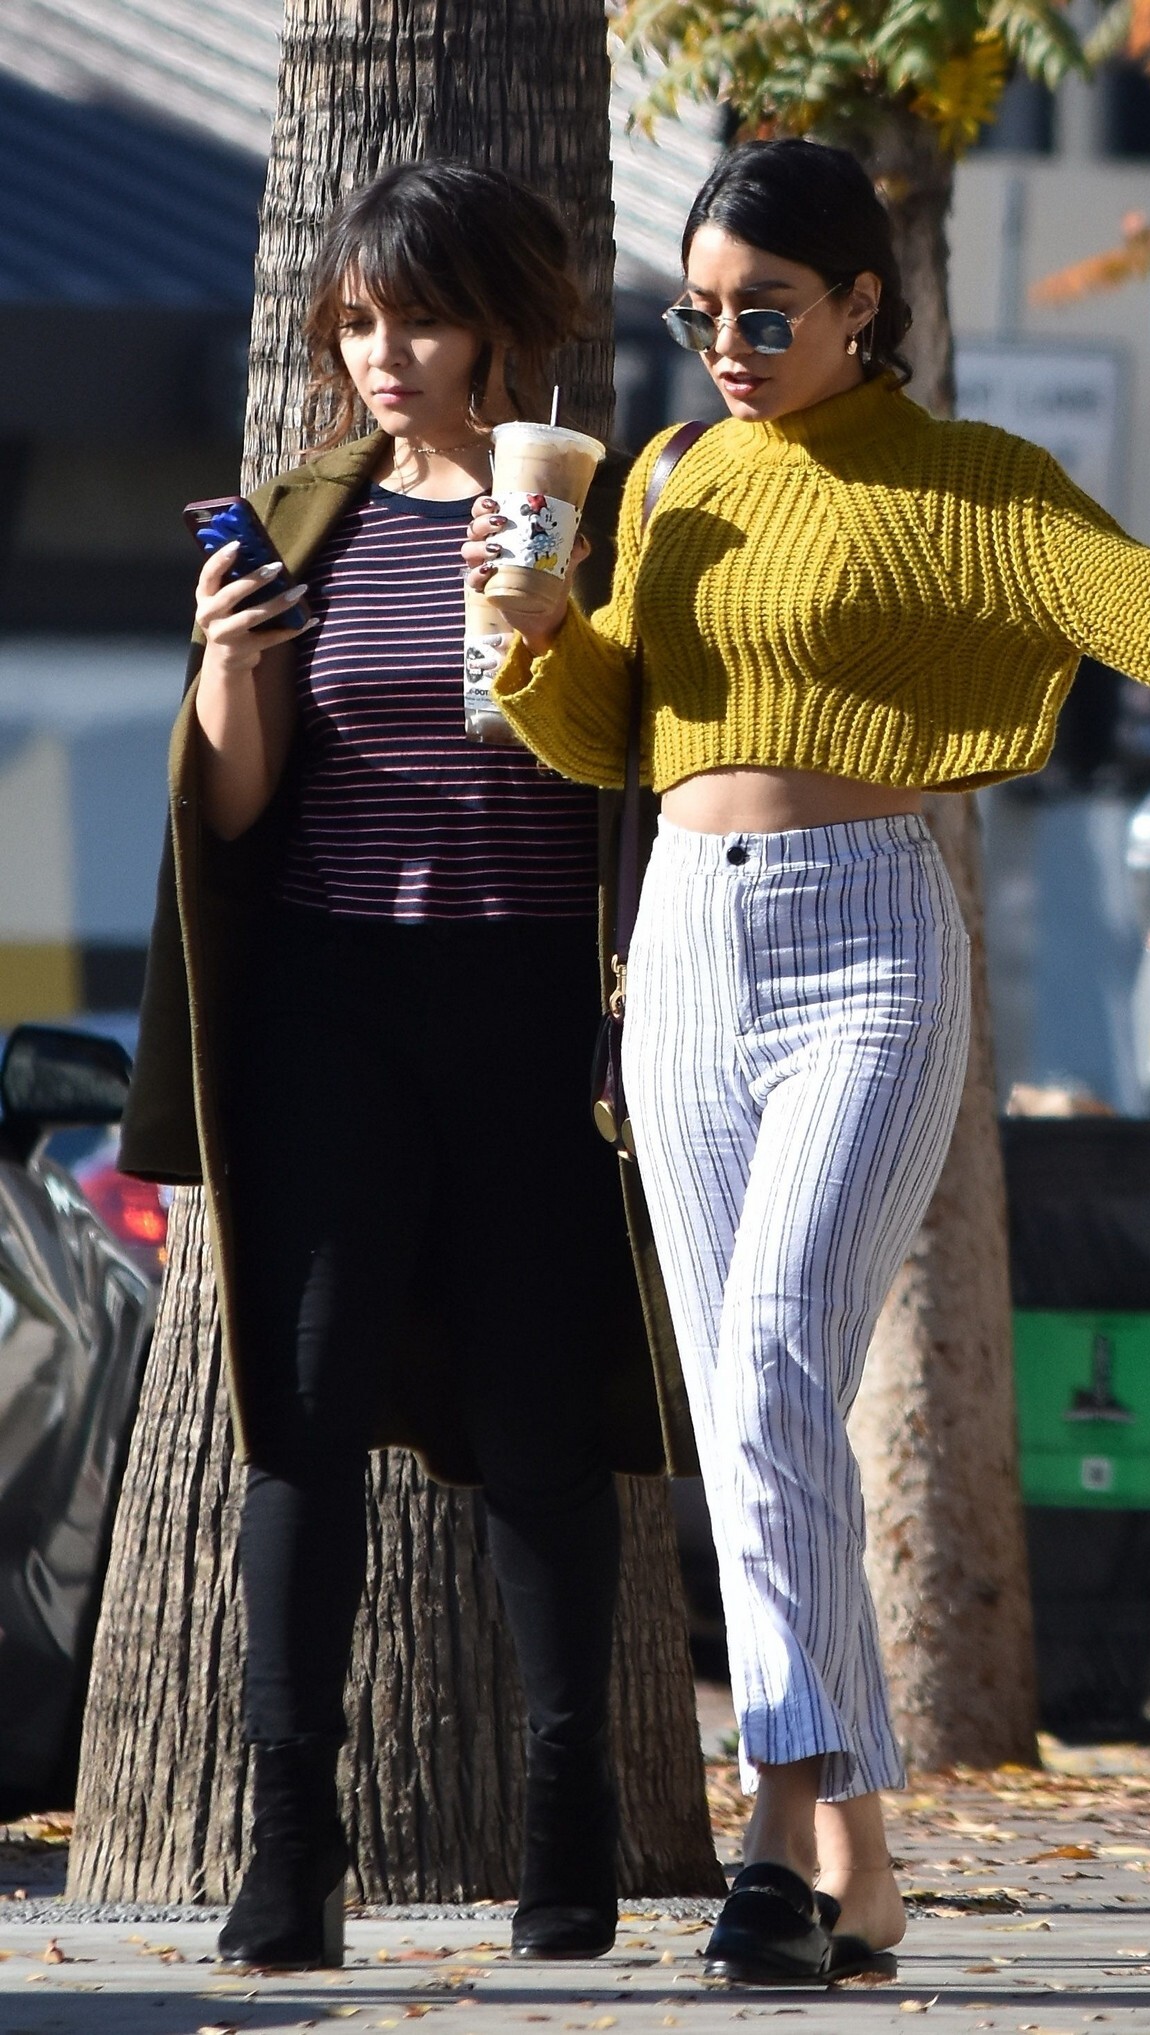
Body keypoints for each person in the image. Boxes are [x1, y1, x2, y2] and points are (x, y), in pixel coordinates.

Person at [465, 136, 1150, 1987]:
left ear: (866, 303)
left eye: (767, 312)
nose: (727, 347)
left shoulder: (975, 491)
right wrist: (537, 633)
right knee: (756, 1410)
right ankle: (863, 1868)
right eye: (700, 316)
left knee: (776, 1356)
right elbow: (614, 727)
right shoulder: (674, 476)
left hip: (870, 941)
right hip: (689, 944)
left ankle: (774, 1836)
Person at [120, 159, 693, 1973]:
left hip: (533, 1009)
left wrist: (561, 614)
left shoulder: (607, 514)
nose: (387, 356)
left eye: (423, 321)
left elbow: (640, 754)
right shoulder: (307, 516)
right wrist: (227, 668)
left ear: (509, 326)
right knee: (298, 1421)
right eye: (359, 322)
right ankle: (291, 1849)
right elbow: (234, 813)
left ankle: (569, 1834)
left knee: (539, 1431)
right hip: (331, 1013)